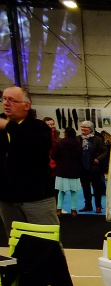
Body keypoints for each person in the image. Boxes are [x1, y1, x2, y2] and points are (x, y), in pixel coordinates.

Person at [0, 86, 59, 236]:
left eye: (12, 100)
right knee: (16, 241)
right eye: (4, 99)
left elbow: (33, 147)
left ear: (27, 105)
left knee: (47, 242)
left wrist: (8, 126)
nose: (6, 103)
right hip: (7, 198)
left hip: (37, 198)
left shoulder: (39, 128)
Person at [78, 120, 109, 213]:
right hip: (83, 168)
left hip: (95, 168)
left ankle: (98, 206)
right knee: (86, 188)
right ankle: (88, 205)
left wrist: (98, 159)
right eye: (82, 127)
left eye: (85, 127)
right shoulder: (78, 139)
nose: (83, 129)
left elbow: (105, 151)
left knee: (97, 188)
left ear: (91, 129)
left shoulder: (98, 139)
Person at [51, 127, 83, 217]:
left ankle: (59, 210)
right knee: (74, 192)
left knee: (61, 191)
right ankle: (73, 210)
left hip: (62, 171)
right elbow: (81, 156)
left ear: (65, 134)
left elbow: (54, 156)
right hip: (75, 171)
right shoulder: (78, 143)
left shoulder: (60, 143)